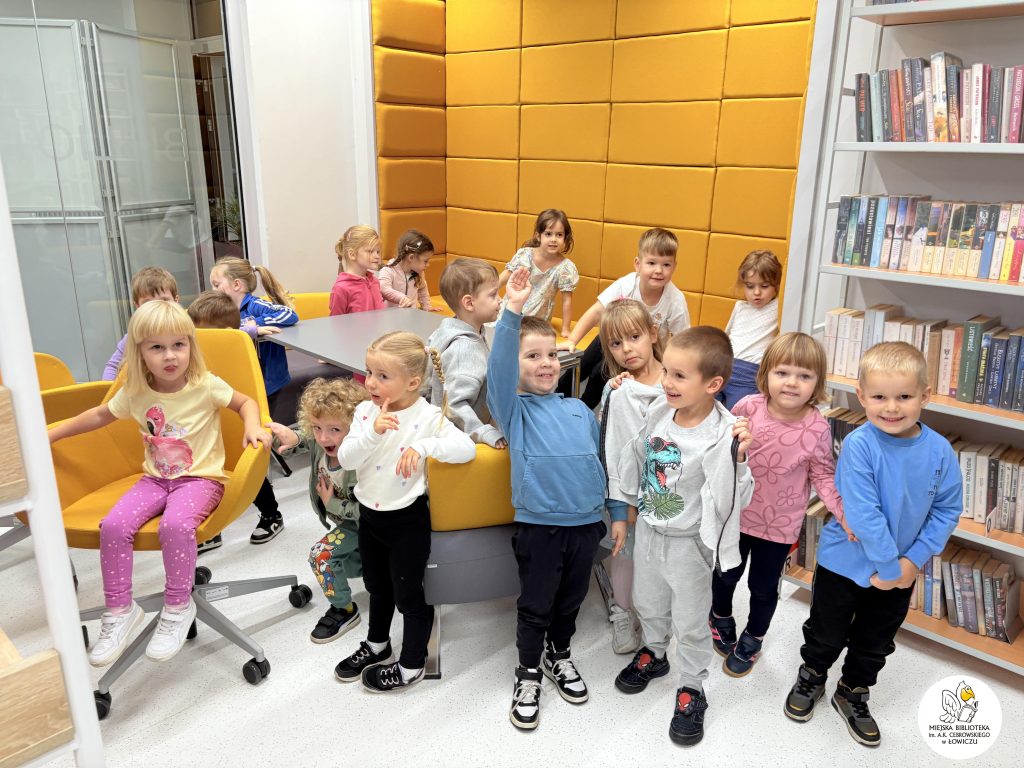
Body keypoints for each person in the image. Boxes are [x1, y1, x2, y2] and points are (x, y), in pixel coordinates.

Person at [48, 301, 270, 667]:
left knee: (175, 526)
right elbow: (100, 415)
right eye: (157, 347)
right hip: (155, 479)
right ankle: (120, 610)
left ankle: (178, 606)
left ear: (190, 346)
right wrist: (54, 434)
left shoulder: (205, 385)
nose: (170, 356)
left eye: (178, 345)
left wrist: (252, 425)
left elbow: (245, 402)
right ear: (140, 353)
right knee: (113, 525)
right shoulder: (137, 391)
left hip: (201, 479)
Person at [784, 341, 961, 748]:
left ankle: (853, 691)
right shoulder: (860, 444)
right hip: (844, 565)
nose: (891, 408)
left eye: (904, 397)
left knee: (875, 640)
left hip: (901, 571)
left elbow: (947, 510)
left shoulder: (940, 450)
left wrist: (911, 563)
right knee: (825, 632)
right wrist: (890, 567)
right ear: (861, 396)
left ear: (925, 395)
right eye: (879, 397)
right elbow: (864, 514)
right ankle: (812, 676)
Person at [612, 326, 753, 747]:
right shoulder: (660, 409)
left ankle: (692, 686)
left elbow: (739, 494)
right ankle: (655, 653)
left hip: (690, 543)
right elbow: (638, 448)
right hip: (650, 532)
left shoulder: (724, 432)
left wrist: (740, 458)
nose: (667, 382)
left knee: (691, 621)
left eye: (678, 376)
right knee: (648, 602)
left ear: (712, 384)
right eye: (666, 372)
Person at [488, 267, 609, 731]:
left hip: (585, 525)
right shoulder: (513, 410)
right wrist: (512, 311)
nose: (546, 363)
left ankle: (559, 655)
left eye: (552, 355)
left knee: (571, 600)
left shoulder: (578, 408)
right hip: (539, 526)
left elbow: (594, 458)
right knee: (537, 604)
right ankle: (528, 671)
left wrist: (607, 511)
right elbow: (498, 371)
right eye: (532, 356)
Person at [332, 332, 475, 692]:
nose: (370, 382)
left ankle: (412, 664)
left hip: (407, 521)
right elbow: (346, 459)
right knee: (377, 587)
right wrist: (372, 434)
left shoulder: (428, 416)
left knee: (409, 596)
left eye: (382, 376)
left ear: (412, 382)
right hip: (370, 517)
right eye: (369, 372)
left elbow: (466, 448)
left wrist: (424, 447)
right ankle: (377, 645)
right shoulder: (366, 412)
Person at [710, 333, 850, 678]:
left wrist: (844, 514)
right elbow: (719, 449)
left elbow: (823, 475)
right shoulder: (747, 407)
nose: (791, 382)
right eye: (782, 372)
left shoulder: (817, 427)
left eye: (804, 376)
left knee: (763, 588)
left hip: (778, 526)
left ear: (817, 383)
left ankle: (753, 638)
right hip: (736, 515)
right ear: (766, 373)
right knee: (725, 575)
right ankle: (719, 616)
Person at [267, 378, 370, 643]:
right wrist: (291, 439)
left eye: (335, 429)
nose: (324, 437)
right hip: (347, 524)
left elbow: (368, 511)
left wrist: (332, 504)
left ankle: (344, 610)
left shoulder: (363, 462)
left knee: (321, 555)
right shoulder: (320, 442)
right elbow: (305, 441)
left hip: (366, 524)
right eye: (317, 427)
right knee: (345, 564)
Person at [210, 257, 298, 545]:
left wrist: (252, 324)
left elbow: (289, 315)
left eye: (217, 284)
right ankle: (211, 525)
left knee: (251, 447)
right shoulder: (218, 311)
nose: (213, 290)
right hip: (230, 389)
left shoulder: (255, 305)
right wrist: (247, 329)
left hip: (263, 388)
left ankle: (271, 515)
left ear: (236, 285)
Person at [594, 299, 664, 655]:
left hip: (667, 493)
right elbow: (611, 450)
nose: (627, 349)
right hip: (628, 495)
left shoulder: (676, 379)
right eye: (616, 343)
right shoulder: (617, 389)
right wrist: (620, 508)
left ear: (653, 334)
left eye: (634, 337)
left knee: (661, 560)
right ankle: (622, 612)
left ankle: (656, 617)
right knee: (624, 552)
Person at [558, 228, 689, 407]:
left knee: (599, 373)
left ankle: (583, 410)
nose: (659, 270)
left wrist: (672, 369)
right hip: (617, 342)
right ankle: (556, 396)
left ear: (674, 266)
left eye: (666, 265)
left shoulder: (675, 299)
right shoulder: (627, 284)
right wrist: (572, 340)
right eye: (651, 263)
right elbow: (596, 312)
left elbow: (682, 339)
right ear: (638, 264)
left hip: (644, 351)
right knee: (584, 361)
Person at [426, 257, 505, 448]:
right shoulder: (464, 349)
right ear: (469, 303)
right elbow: (454, 405)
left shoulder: (452, 330)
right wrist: (483, 431)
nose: (500, 299)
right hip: (459, 443)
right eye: (493, 295)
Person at [496, 209, 578, 338]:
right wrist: (490, 294)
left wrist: (565, 329)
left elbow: (567, 301)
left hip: (537, 321)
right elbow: (504, 277)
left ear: (565, 238)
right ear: (538, 236)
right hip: (512, 310)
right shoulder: (525, 255)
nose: (553, 239)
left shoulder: (566, 268)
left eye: (559, 235)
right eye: (548, 234)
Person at [719, 250, 781, 410]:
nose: (757, 292)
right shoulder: (740, 307)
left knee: (738, 414)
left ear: (776, 286)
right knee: (703, 407)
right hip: (724, 366)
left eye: (764, 286)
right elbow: (726, 336)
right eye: (750, 286)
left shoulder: (778, 307)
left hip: (749, 374)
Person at [103, 267, 179, 381]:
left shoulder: (186, 329)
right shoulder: (134, 335)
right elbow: (113, 366)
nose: (157, 307)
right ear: (138, 306)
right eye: (148, 303)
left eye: (164, 300)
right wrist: (108, 389)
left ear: (176, 301)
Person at [378, 229, 440, 311]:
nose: (428, 264)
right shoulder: (388, 271)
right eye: (425, 261)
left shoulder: (419, 273)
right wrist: (402, 298)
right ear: (411, 257)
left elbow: (422, 288)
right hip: (391, 316)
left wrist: (426, 307)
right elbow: (383, 289)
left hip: (411, 315)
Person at [330, 225, 385, 316]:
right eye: (370, 251)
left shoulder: (375, 282)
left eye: (378, 252)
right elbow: (336, 322)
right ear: (352, 254)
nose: (377, 256)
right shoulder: (341, 288)